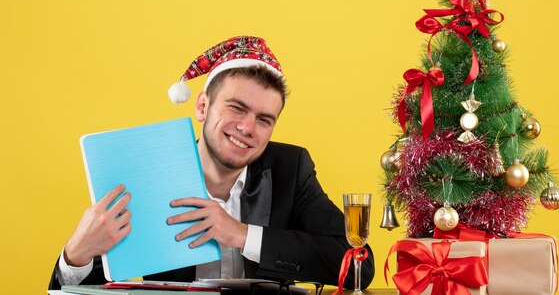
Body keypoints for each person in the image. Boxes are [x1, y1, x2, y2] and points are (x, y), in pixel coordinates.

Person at [49, 36, 375, 290]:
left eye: (264, 119)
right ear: (202, 106)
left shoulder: (292, 168)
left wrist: (242, 235)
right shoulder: (146, 170)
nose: (248, 128)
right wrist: (76, 256)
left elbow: (358, 264)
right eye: (236, 108)